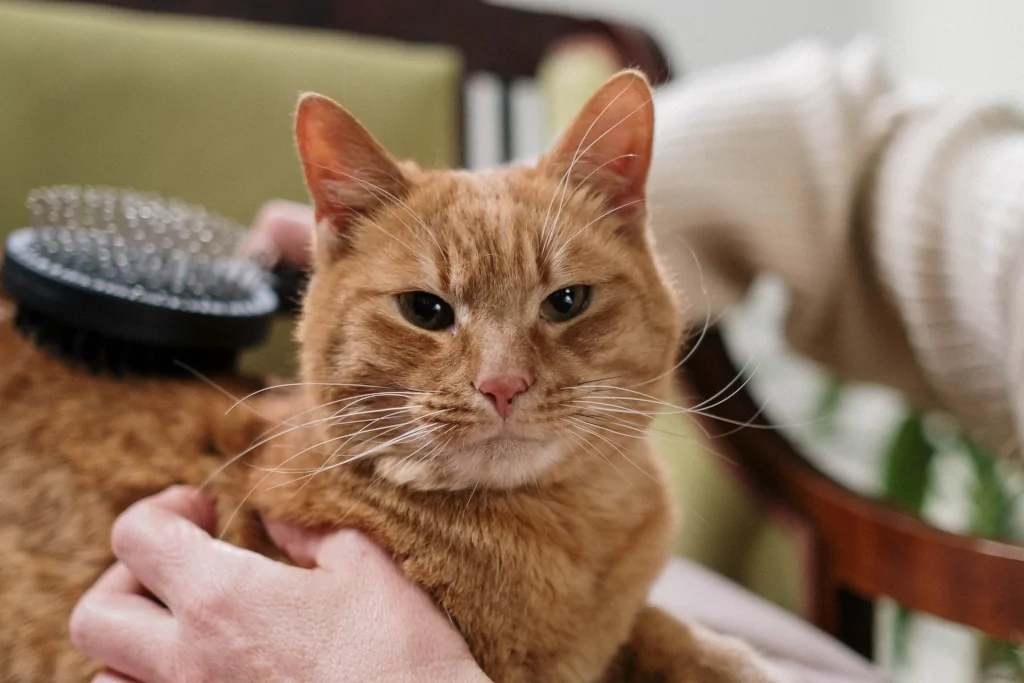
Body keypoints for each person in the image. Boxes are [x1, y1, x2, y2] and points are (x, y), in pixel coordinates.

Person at [71, 38, 1024, 682]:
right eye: (425, 311)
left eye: (567, 306)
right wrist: (521, 218)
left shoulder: (630, 498)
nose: (501, 379)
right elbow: (854, 150)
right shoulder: (318, 512)